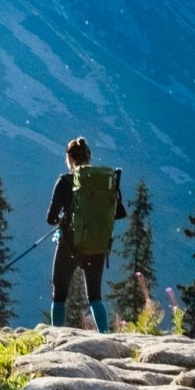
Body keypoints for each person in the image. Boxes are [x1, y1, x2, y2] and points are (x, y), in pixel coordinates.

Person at [46, 136, 126, 331]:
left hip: (69, 244)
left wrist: (64, 219)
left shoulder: (65, 181)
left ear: (69, 159)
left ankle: (57, 334)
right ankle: (105, 335)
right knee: (95, 295)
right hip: (97, 243)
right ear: (89, 157)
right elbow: (120, 213)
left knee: (60, 292)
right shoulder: (103, 181)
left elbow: (50, 218)